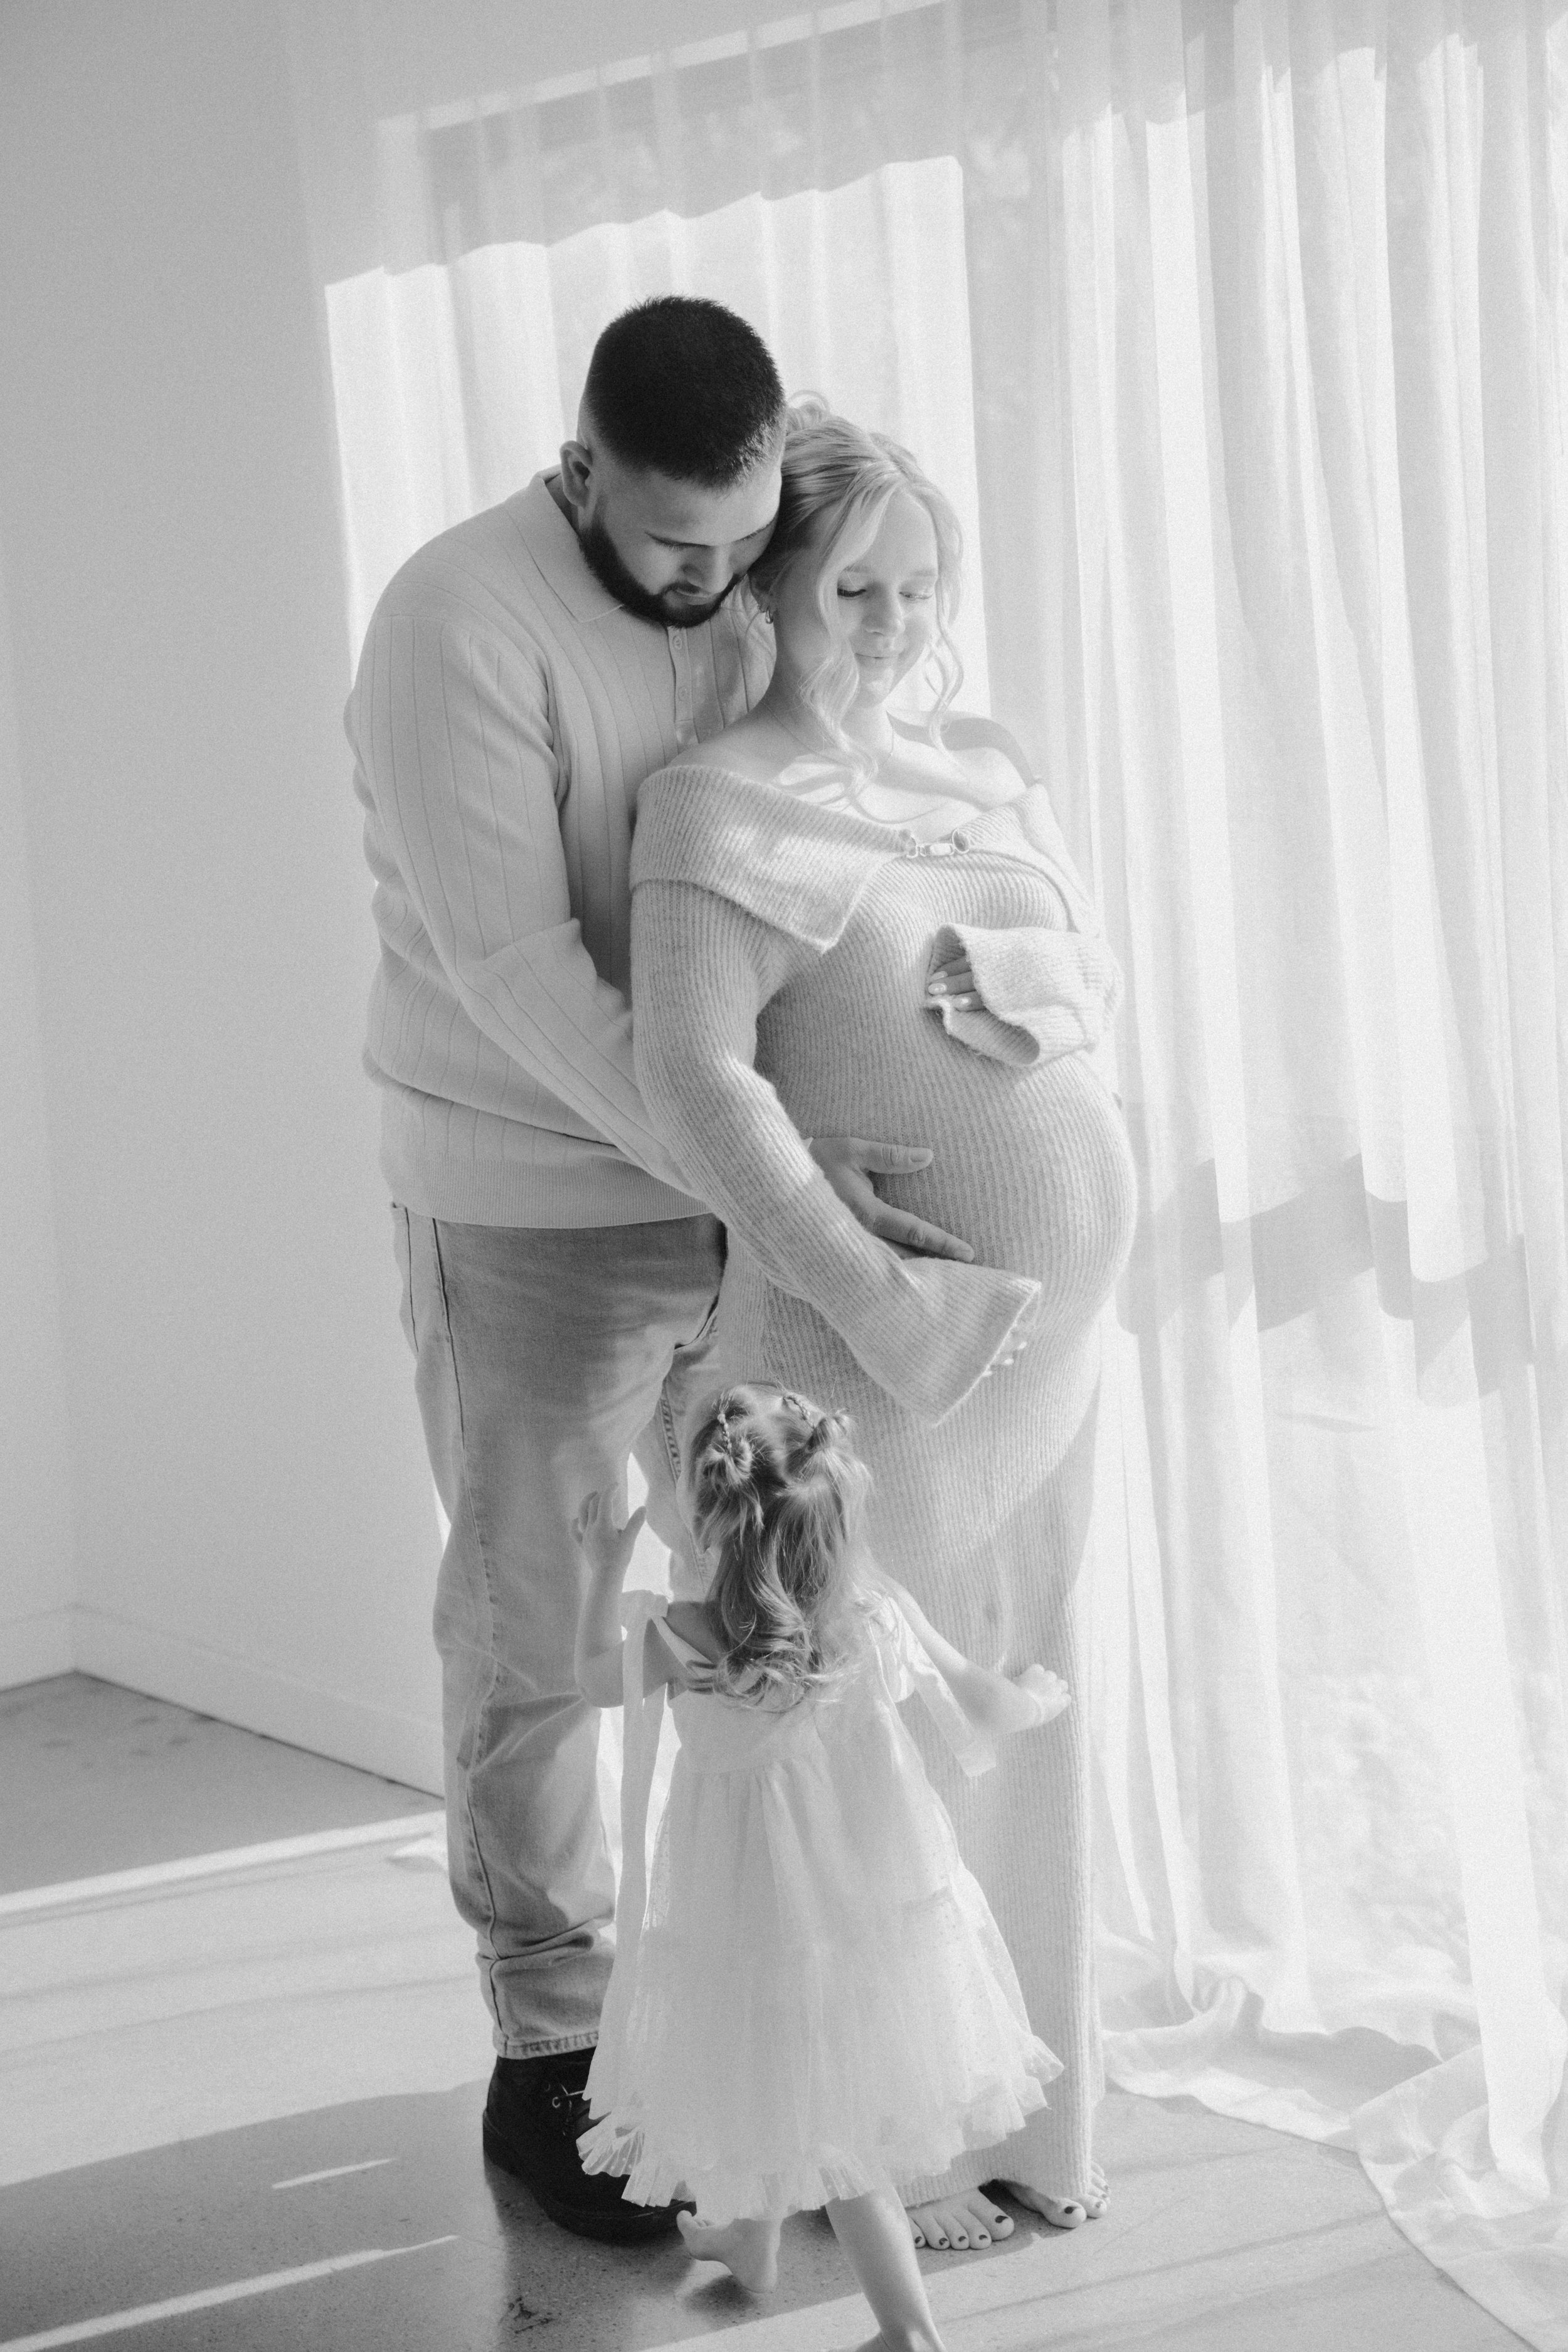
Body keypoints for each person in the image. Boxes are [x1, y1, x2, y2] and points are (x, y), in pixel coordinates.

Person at [346, 302, 975, 2244]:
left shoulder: (756, 568)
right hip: (531, 1201)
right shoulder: (459, 617)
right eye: (672, 546)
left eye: (744, 540)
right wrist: (768, 1168)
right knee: (536, 1625)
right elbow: (519, 975)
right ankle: (548, 2038)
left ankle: (766, 2015)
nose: (715, 583)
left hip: (738, 1190)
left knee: (784, 1610)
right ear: (582, 466)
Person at [627, 400, 1140, 2250]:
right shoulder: (715, 800)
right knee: (864, 1767)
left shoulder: (982, 771)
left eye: (919, 587)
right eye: (854, 587)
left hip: (1044, 1375)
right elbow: (696, 1077)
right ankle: (875, 2172)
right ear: (765, 591)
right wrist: (875, 1288)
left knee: (1020, 1733)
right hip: (859, 1367)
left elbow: (1080, 1001)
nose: (894, 622)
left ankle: (1027, 2124)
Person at [571, 1385, 1069, 2352]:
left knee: (826, 2129)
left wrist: (601, 1571)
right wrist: (1033, 1697)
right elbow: (979, 1699)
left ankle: (909, 2332)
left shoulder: (687, 1634)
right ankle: (749, 2241)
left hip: (743, 1910)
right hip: (853, 1904)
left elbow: (594, 1678)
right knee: (779, 2082)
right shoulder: (873, 1614)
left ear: (708, 1524)